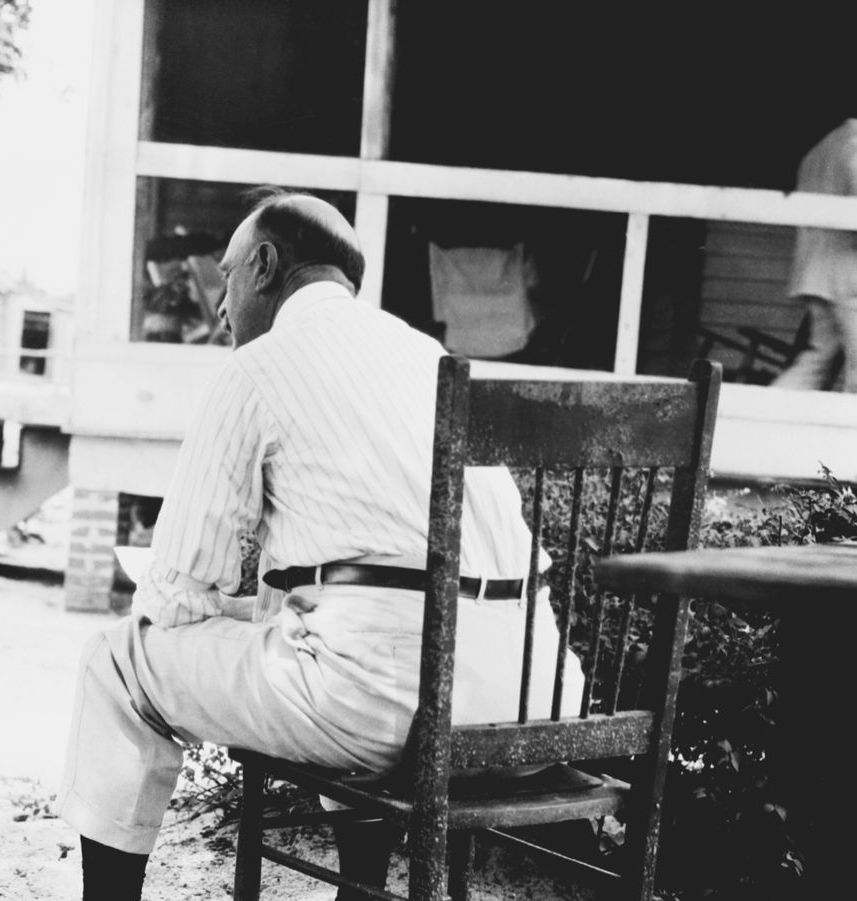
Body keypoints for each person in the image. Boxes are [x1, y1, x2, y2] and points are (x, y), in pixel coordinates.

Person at [56, 190, 581, 900]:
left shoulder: (259, 367)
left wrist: (232, 610)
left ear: (266, 265)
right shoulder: (432, 358)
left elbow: (174, 596)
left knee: (116, 661)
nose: (220, 306)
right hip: (535, 699)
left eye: (227, 274)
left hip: (397, 708)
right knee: (332, 640)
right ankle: (356, 890)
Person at [772, 118, 857, 392]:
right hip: (845, 272)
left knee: (817, 359)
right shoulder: (853, 146)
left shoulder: (817, 151)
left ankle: (763, 410)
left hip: (814, 272)